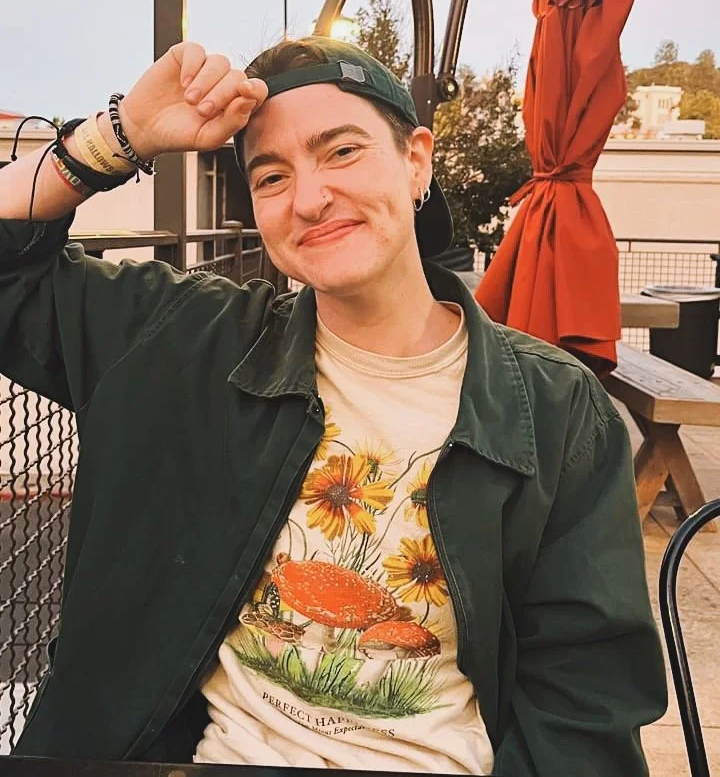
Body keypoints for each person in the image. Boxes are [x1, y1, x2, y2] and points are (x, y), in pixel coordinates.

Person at [1, 38, 666, 775]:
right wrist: (117, 138)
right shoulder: (185, 342)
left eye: (342, 151)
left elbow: (586, 701)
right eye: (272, 176)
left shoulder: (554, 408)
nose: (309, 199)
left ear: (417, 160)